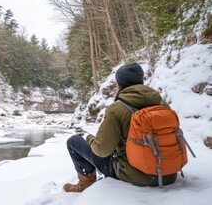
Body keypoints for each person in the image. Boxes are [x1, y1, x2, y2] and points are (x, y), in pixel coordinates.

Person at [63, 62, 177, 192]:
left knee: (73, 142)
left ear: (119, 84)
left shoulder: (116, 109)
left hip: (134, 175)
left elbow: (102, 150)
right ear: (141, 80)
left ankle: (86, 183)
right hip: (169, 173)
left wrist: (88, 137)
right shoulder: (162, 103)